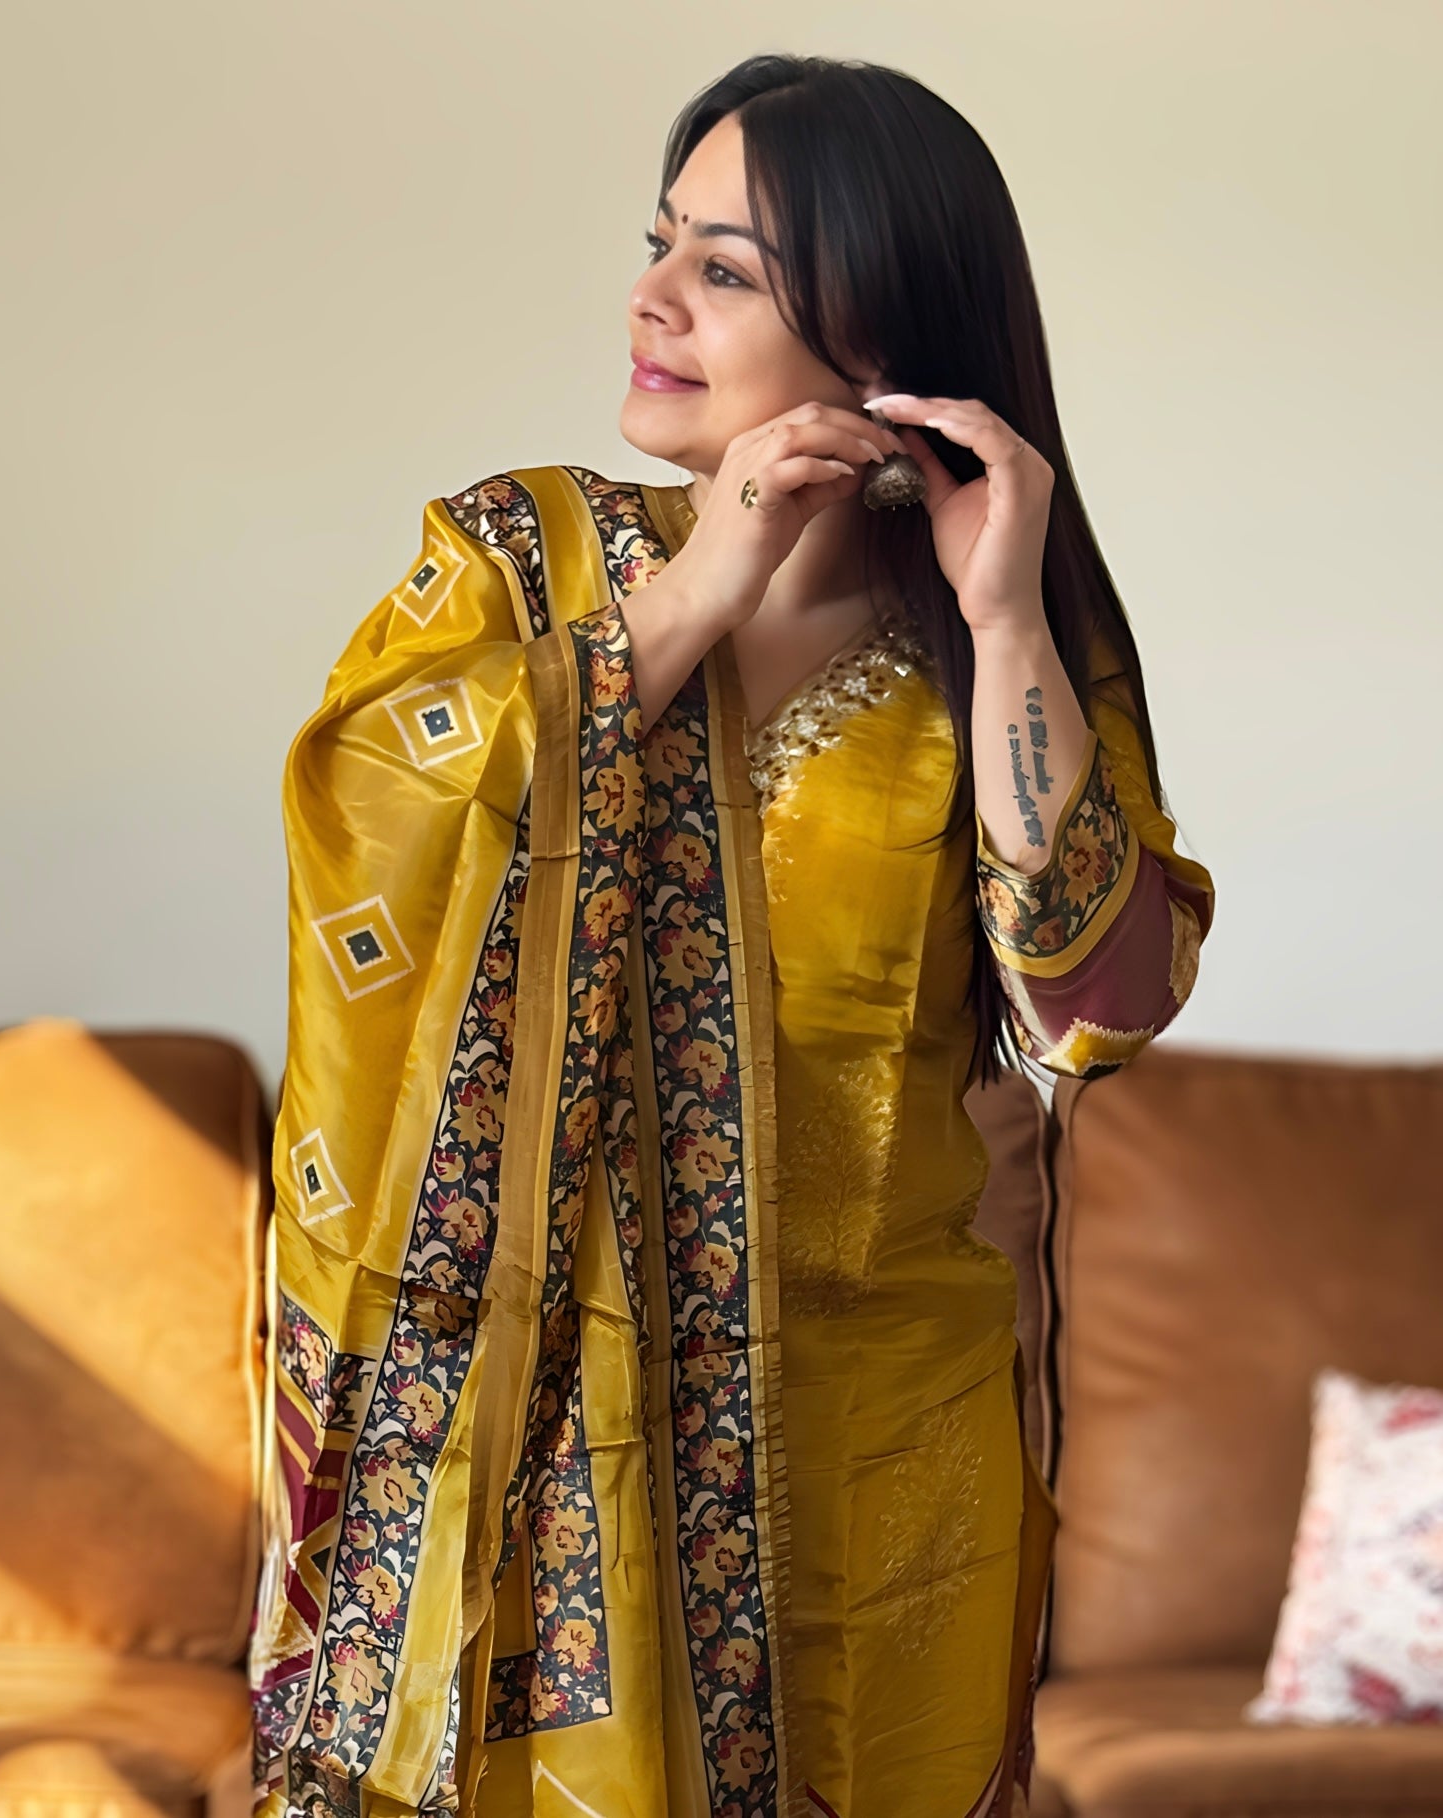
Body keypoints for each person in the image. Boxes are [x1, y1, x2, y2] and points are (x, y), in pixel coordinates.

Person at [247, 52, 1216, 1818]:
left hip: (885, 1440)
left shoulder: (995, 648)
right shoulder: (513, 562)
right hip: (539, 1442)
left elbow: (1096, 1010)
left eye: (727, 269)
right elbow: (360, 814)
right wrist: (691, 592)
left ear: (884, 333)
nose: (649, 297)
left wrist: (1002, 619)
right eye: (659, 241)